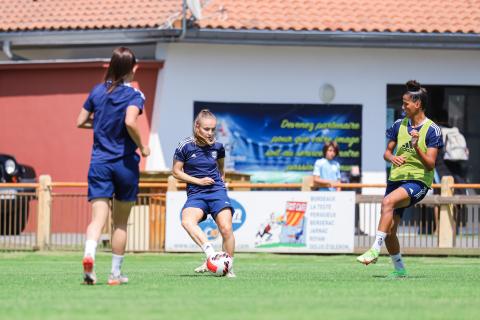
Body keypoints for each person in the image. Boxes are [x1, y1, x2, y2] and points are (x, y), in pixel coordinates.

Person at [76, 47, 150, 285]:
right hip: (125, 164)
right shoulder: (135, 94)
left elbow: (80, 121)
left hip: (99, 163)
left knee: (98, 219)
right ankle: (115, 274)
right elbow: (130, 121)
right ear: (134, 68)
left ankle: (89, 256)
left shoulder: (97, 91)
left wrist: (101, 126)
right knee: (119, 222)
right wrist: (143, 146)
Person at [356, 80, 443, 278]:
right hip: (396, 180)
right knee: (390, 230)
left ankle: (374, 250)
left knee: (387, 202)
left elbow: (430, 163)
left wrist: (416, 146)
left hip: (418, 182)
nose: (402, 107)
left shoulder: (432, 129)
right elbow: (386, 153)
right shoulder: (398, 124)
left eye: (406, 103)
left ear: (417, 104)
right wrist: (392, 157)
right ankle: (400, 269)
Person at [172, 109, 236, 277]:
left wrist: (222, 182)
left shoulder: (218, 147)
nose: (210, 133)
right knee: (186, 221)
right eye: (206, 129)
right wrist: (198, 181)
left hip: (216, 191)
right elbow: (176, 172)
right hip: (196, 193)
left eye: (213, 129)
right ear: (197, 127)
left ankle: (228, 268)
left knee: (226, 228)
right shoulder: (184, 146)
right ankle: (211, 255)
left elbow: (221, 168)